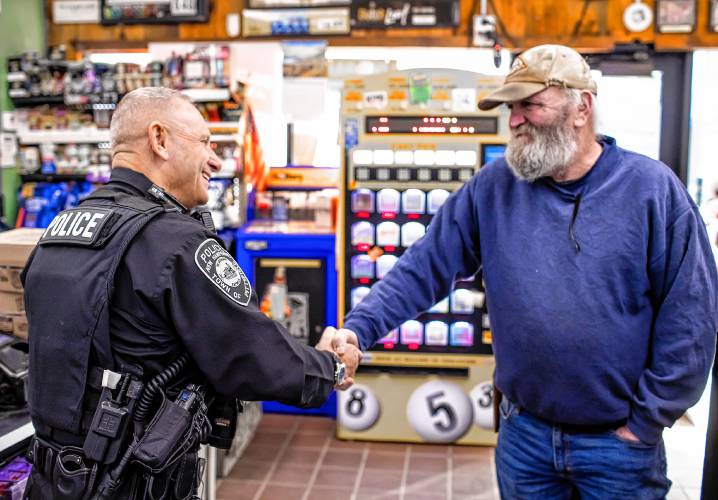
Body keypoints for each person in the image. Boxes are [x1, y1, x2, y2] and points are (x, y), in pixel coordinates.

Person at [330, 44, 718, 499]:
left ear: (582, 107)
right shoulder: (494, 188)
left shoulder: (652, 191)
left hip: (619, 446)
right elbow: (423, 267)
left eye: (529, 105)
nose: (513, 120)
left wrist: (647, 420)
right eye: (511, 107)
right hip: (524, 436)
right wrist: (358, 330)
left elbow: (691, 318)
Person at [21, 87, 362, 499]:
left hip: (50, 478)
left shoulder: (61, 229)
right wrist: (332, 368)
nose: (215, 159)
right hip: (130, 483)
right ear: (159, 139)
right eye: (203, 142)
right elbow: (252, 357)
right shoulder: (177, 242)